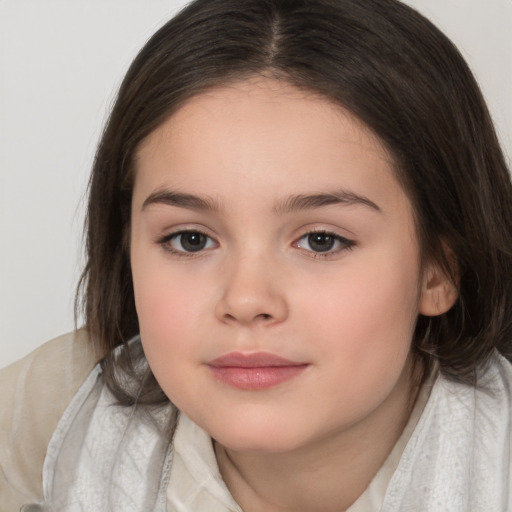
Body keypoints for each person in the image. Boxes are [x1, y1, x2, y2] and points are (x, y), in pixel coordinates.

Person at [1, 0, 512, 510]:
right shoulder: (62, 401)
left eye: (321, 240)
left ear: (439, 269)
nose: (246, 300)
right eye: (190, 239)